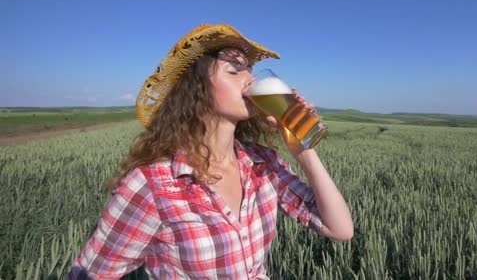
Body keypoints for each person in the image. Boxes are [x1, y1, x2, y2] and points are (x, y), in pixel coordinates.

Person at [67, 23, 353, 279]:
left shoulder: (261, 163)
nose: (250, 80)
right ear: (198, 88)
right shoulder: (153, 185)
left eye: (250, 70)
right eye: (234, 71)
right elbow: (90, 273)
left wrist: (300, 146)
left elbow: (339, 229)